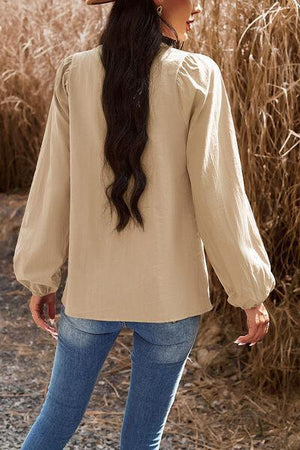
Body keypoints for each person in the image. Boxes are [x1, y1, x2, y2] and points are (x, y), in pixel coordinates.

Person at [13, 0, 276, 448]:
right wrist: (249, 292)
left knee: (56, 420)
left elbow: (53, 184)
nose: (200, 8)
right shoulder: (196, 75)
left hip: (91, 293)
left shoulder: (74, 74)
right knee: (143, 439)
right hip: (169, 297)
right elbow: (220, 195)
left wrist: (41, 276)